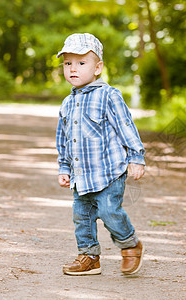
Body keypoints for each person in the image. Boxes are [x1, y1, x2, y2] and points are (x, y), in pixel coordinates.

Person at [55, 33, 146, 276]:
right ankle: (89, 256)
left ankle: (130, 245)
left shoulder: (109, 95)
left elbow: (127, 127)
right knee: (81, 217)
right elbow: (64, 140)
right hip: (80, 175)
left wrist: (136, 157)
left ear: (98, 68)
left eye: (81, 63)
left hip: (109, 172)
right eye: (68, 63)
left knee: (108, 211)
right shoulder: (67, 103)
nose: (73, 69)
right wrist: (64, 168)